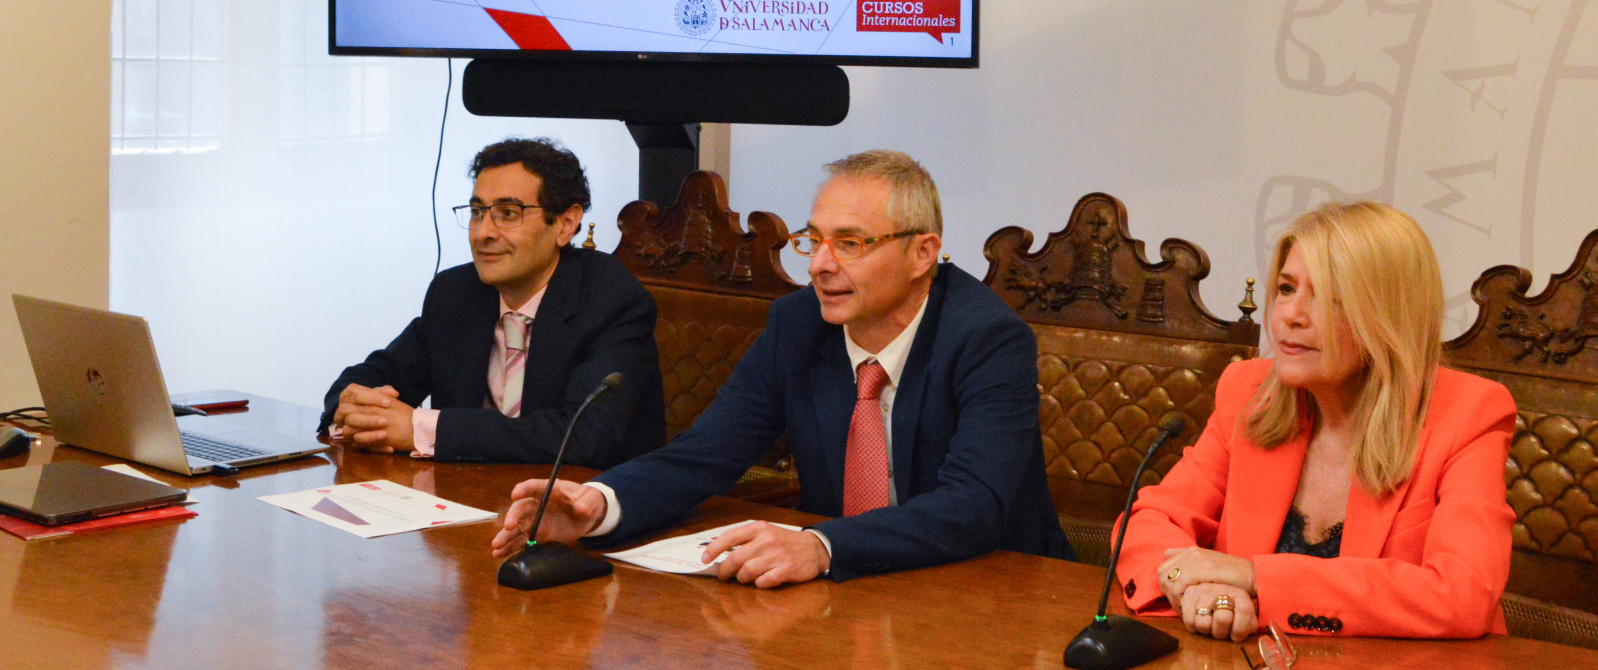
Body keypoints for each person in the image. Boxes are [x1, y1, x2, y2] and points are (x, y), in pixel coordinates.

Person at [491, 150, 1074, 586]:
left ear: (922, 253)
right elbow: (707, 452)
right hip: (845, 591)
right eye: (814, 240)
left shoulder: (987, 339)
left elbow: (972, 506)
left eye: (850, 243)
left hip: (992, 588)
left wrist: (821, 545)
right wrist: (598, 504)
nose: (820, 265)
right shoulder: (798, 327)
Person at [1115, 202, 1515, 640]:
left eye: (1328, 295)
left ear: (1388, 314)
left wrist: (1253, 577)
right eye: (1286, 288)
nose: (1290, 315)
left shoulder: (1470, 413)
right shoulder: (1248, 393)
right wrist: (1189, 589)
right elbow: (1147, 522)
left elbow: (1462, 595)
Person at [320, 137, 663, 469]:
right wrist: (355, 407)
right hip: (462, 500)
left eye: (508, 213)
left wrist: (420, 428)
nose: (482, 232)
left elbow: (581, 436)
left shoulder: (612, 302)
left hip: (579, 507)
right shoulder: (455, 293)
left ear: (564, 224)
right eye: (477, 212)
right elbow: (373, 375)